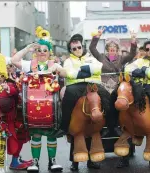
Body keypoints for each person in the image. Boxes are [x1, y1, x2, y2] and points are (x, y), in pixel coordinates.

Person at [51, 33, 111, 170]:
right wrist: (86, 71)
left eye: (79, 47)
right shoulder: (68, 61)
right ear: (70, 50)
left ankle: (110, 125)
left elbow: (98, 67)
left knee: (107, 97)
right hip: (76, 87)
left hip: (93, 84)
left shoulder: (90, 57)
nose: (77, 50)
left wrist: (79, 71)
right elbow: (67, 72)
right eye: (74, 48)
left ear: (82, 47)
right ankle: (64, 126)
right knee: (68, 98)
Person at [11, 26, 65, 172]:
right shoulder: (30, 64)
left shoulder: (54, 64)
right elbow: (14, 60)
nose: (41, 53)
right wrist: (27, 48)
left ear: (49, 53)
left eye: (45, 50)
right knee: (36, 135)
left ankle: (52, 161)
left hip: (51, 109)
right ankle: (35, 162)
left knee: (51, 135)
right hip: (33, 108)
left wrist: (59, 70)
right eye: (39, 50)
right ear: (35, 52)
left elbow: (66, 73)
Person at [89, 29, 138, 168]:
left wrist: (133, 40)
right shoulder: (101, 57)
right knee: (102, 99)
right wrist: (96, 36)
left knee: (119, 98)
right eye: (110, 48)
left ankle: (116, 125)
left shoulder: (121, 58)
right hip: (104, 85)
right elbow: (92, 48)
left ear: (117, 50)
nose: (112, 50)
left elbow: (132, 54)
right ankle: (108, 126)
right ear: (107, 49)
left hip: (116, 85)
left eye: (114, 48)